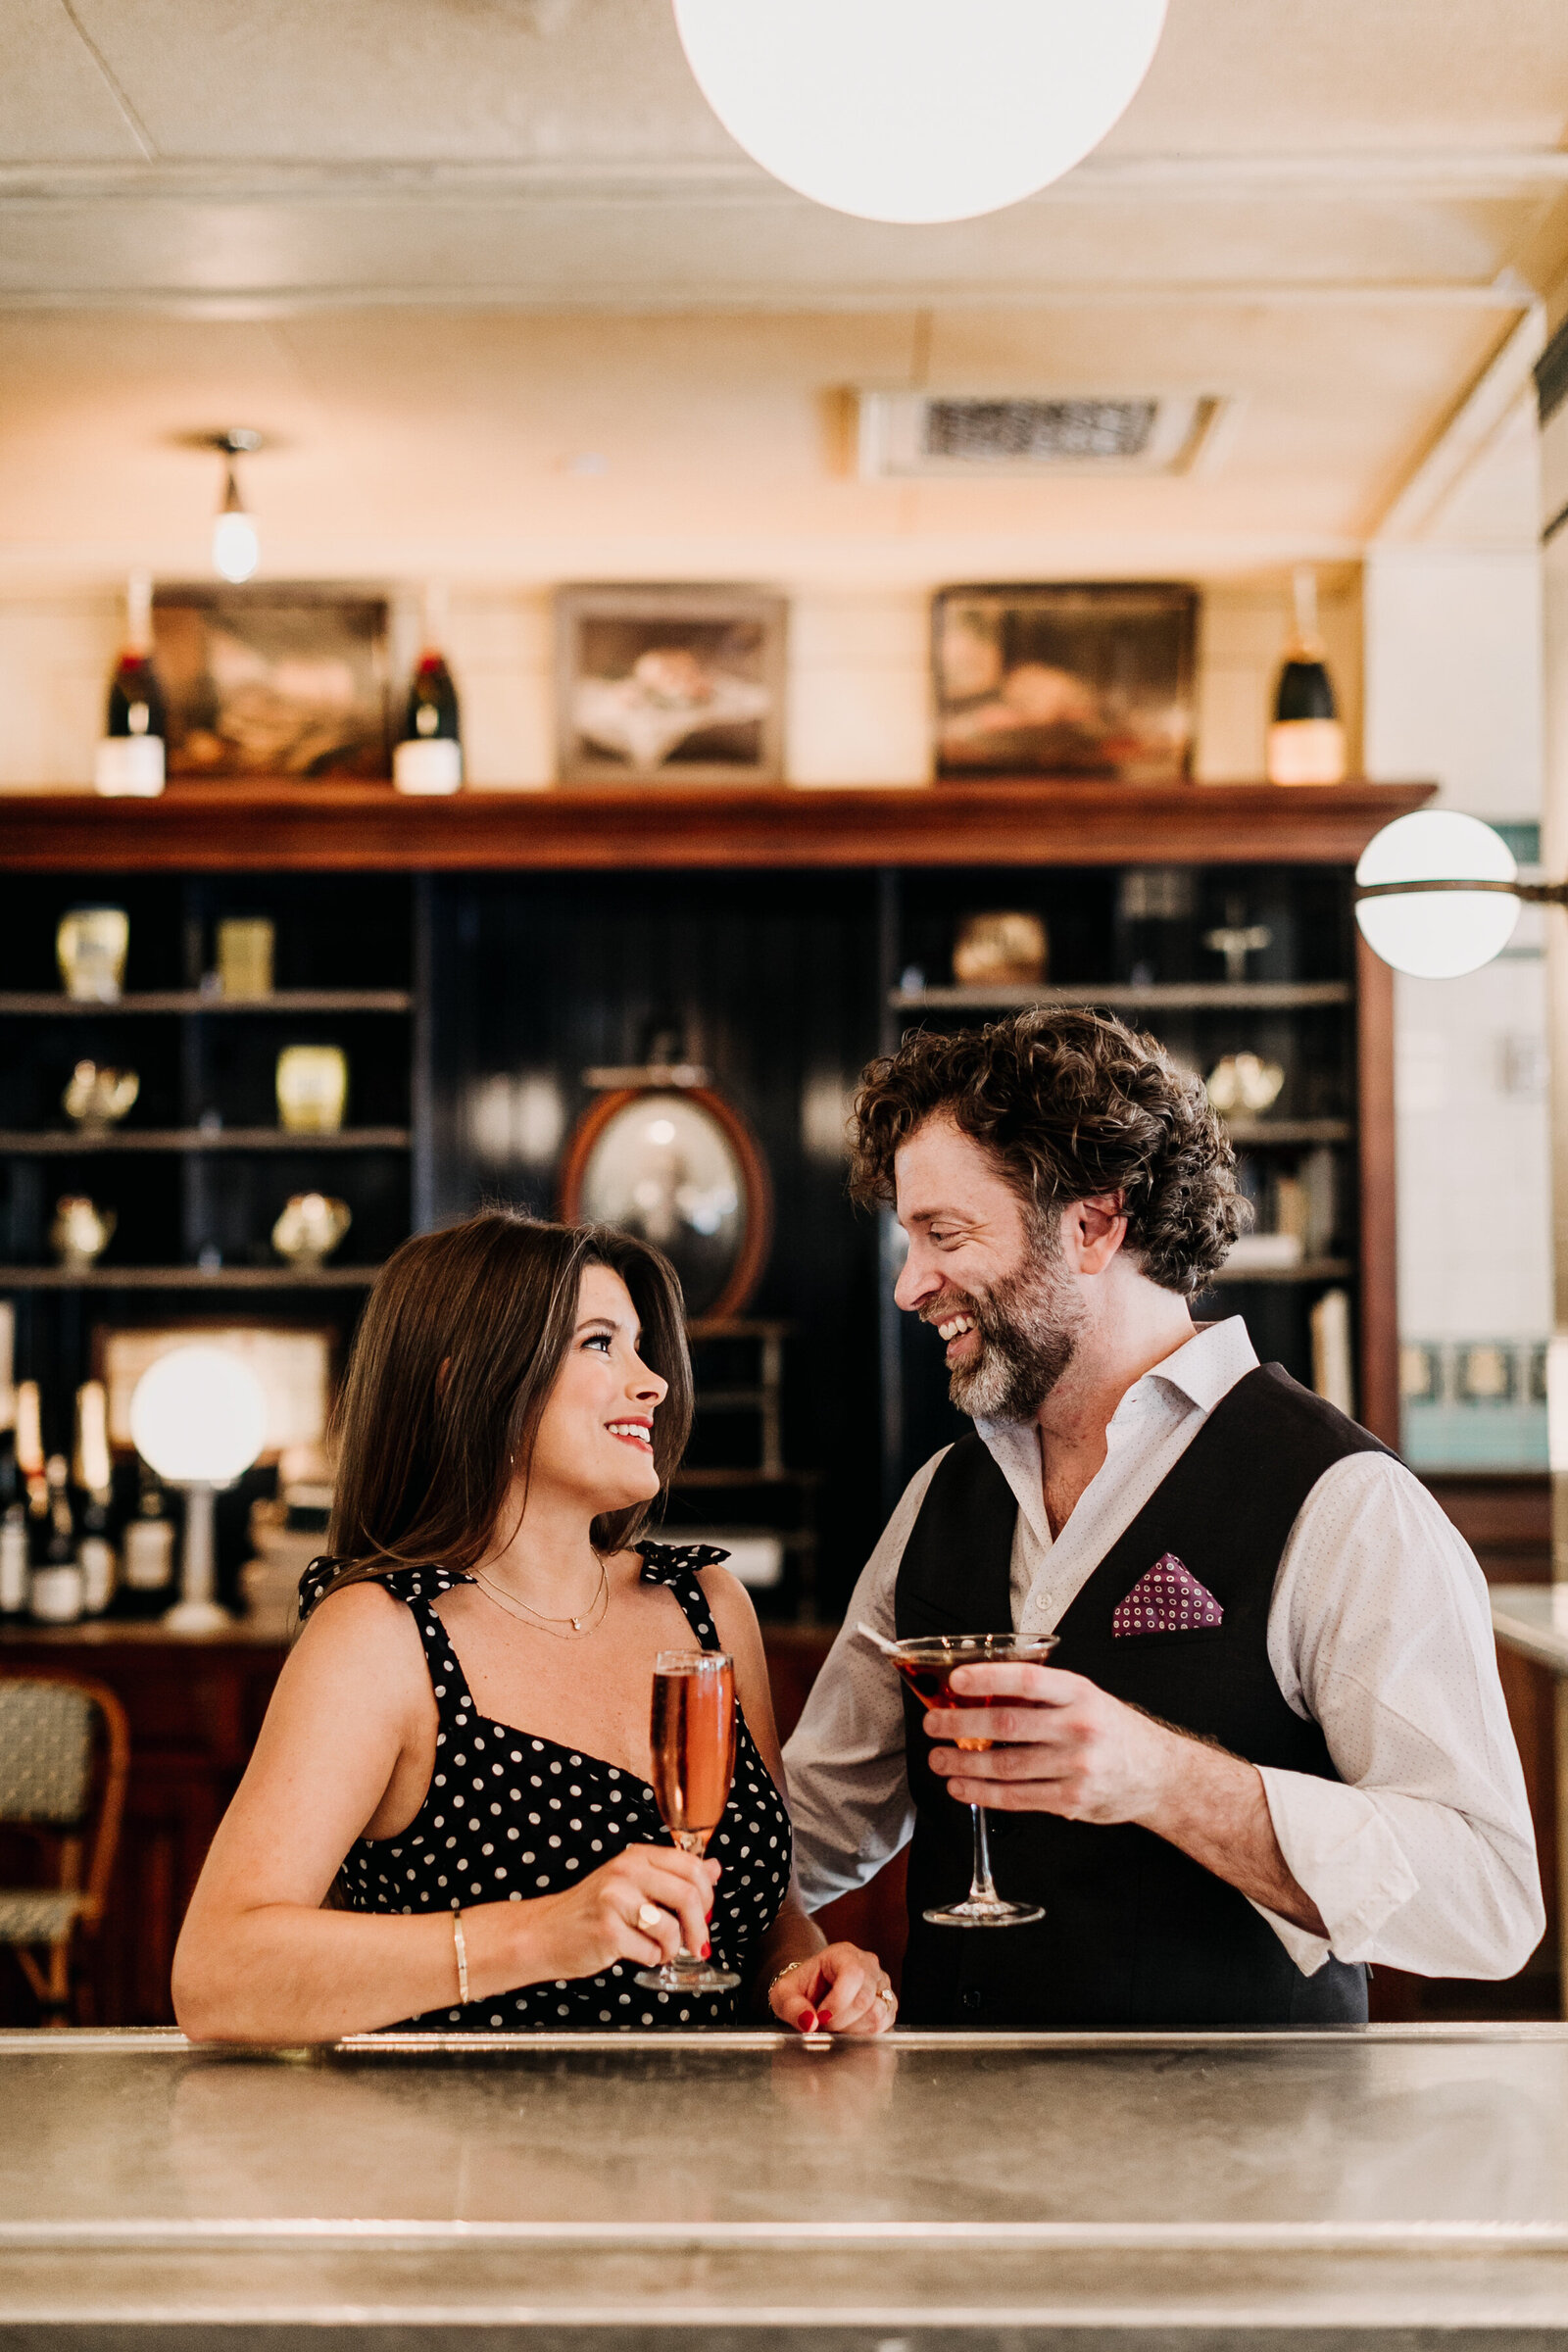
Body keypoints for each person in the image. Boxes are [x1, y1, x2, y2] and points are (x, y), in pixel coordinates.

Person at [784, 1009, 1544, 2028]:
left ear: (1094, 1226)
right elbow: (816, 1825)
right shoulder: (940, 1496)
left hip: (1248, 2170)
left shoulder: (1345, 1503)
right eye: (908, 1238)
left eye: (945, 1235)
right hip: (953, 2157)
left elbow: (1489, 1905)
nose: (910, 1284)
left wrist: (1166, 1779)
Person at [174, 1211, 894, 2042]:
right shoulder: (382, 1638)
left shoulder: (708, 1605)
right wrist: (543, 1933)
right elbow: (217, 1975)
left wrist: (805, 1974)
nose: (651, 1381)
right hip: (461, 2163)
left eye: (640, 1345)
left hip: (710, 2158)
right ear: (465, 1383)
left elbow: (766, 1917)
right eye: (598, 1343)